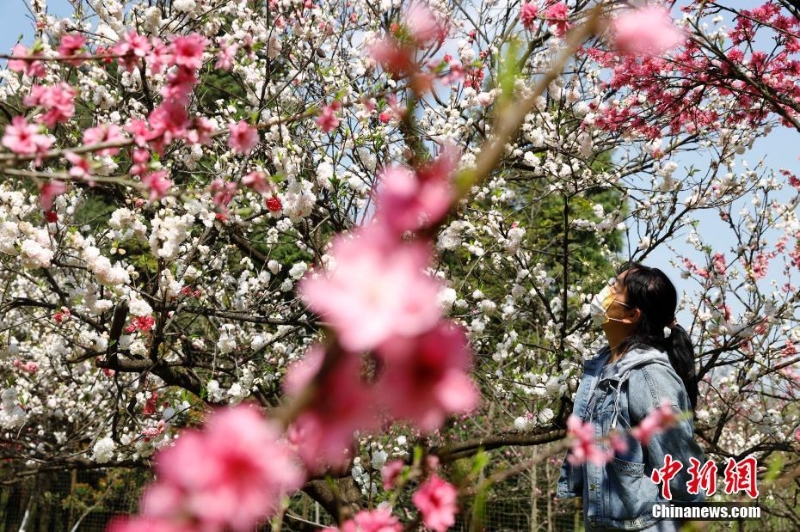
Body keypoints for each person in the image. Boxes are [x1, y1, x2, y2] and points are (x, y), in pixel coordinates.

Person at [556, 262, 705, 531]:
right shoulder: (602, 367)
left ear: (632, 315)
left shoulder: (650, 377)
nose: (604, 291)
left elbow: (683, 472)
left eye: (615, 287)